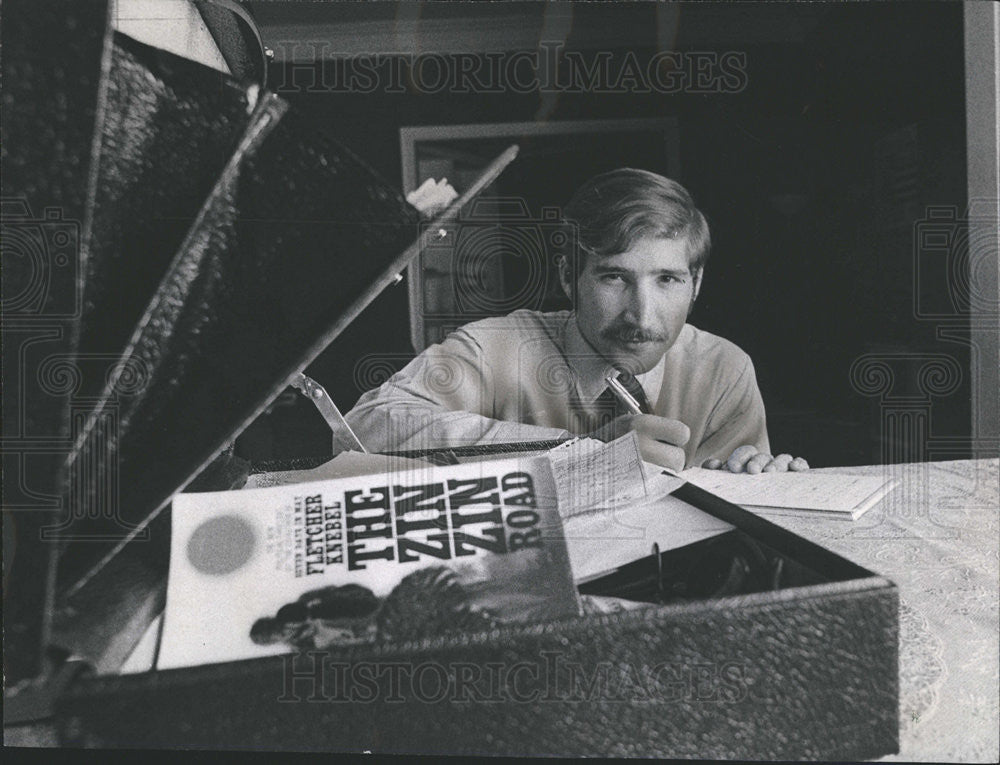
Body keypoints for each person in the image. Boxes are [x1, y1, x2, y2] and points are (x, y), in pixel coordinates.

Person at [346, 168, 806, 473]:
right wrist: (577, 454)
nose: (641, 315)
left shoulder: (724, 369)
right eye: (613, 277)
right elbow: (363, 429)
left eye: (667, 279)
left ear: (696, 284)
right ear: (569, 277)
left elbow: (735, 531)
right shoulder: (495, 347)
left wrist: (759, 481)